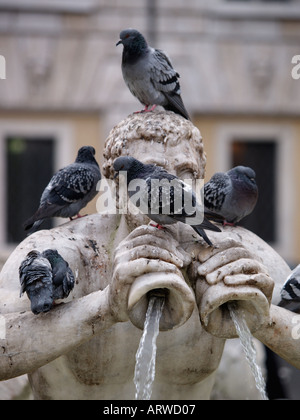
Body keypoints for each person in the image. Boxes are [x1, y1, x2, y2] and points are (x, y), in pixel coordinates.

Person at [0, 112, 298, 400]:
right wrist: (104, 307)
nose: (172, 183)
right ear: (116, 184)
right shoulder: (64, 251)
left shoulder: (233, 250)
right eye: (155, 167)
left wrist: (261, 318)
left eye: (186, 173)